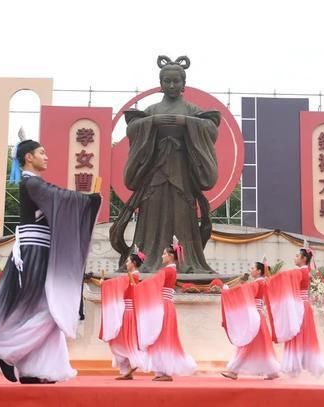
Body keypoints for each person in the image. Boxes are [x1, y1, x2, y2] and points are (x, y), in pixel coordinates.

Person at [0, 139, 101, 384]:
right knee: (46, 310)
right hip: (33, 252)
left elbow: (57, 202)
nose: (46, 156)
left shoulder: (35, 183)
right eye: (42, 152)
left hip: (39, 250)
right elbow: (59, 197)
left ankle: (32, 369)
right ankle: (7, 353)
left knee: (33, 310)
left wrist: (86, 202)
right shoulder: (32, 182)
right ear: (29, 157)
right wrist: (88, 201)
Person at [110, 55, 219, 273]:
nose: (171, 85)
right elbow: (133, 128)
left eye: (175, 81)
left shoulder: (191, 110)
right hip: (155, 173)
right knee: (152, 214)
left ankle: (187, 262)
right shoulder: (151, 111)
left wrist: (185, 122)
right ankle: (146, 260)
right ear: (160, 84)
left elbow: (211, 128)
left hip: (182, 173)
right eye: (166, 81)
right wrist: (152, 122)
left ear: (183, 84)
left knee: (183, 214)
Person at [134, 240, 197, 381]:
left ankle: (165, 371)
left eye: (164, 254)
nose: (162, 256)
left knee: (163, 338)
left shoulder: (167, 270)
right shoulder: (171, 270)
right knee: (163, 338)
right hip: (167, 305)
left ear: (170, 255)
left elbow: (153, 283)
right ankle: (162, 371)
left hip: (164, 306)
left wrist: (137, 287)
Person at [265, 248, 324, 377]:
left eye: (297, 256)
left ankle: (295, 367)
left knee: (296, 335)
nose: (294, 257)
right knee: (305, 337)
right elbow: (285, 278)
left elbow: (284, 278)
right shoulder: (304, 271)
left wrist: (268, 274)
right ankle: (307, 365)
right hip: (302, 306)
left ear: (304, 259)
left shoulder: (301, 271)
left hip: (300, 307)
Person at [221, 261, 280, 380]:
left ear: (259, 271)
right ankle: (272, 371)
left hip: (255, 318)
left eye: (253, 268)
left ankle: (234, 371)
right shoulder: (262, 282)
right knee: (262, 347)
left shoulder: (257, 283)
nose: (250, 269)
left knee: (247, 345)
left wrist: (228, 291)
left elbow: (243, 293)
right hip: (259, 318)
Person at [99, 249, 148, 380]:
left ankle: (135, 361)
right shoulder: (131, 276)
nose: (126, 263)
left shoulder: (133, 276)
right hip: (128, 311)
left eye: (128, 261)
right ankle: (126, 369)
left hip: (128, 312)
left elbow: (116, 285)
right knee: (121, 340)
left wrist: (104, 284)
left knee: (124, 340)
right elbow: (117, 284)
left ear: (133, 263)